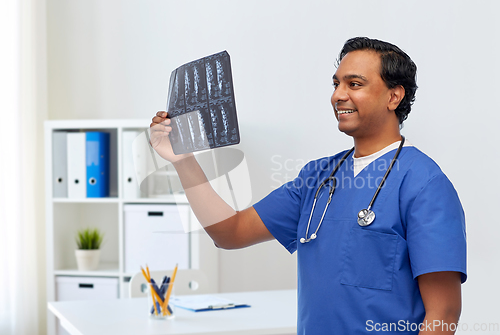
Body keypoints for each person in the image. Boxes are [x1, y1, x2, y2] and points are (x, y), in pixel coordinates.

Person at [150, 37, 467, 334]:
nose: (338, 95)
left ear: (393, 96)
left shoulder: (425, 184)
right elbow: (230, 232)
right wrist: (182, 160)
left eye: (354, 84)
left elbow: (444, 314)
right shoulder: (317, 178)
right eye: (336, 84)